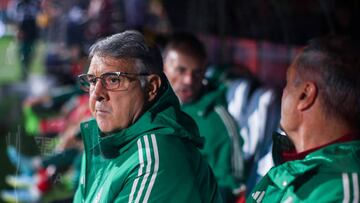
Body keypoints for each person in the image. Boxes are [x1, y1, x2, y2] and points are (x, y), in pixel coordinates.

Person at [74, 30, 222, 202]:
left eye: (113, 80)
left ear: (151, 88)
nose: (97, 93)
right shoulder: (101, 138)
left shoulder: (155, 158)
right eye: (92, 80)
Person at [247, 36, 360, 203]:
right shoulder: (288, 168)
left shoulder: (342, 191)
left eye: (287, 83)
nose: (282, 94)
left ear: (305, 95)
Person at [163, 33, 244, 202]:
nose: (189, 80)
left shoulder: (219, 124)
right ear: (164, 67)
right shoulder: (146, 107)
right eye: (181, 70)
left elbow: (230, 188)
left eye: (197, 72)